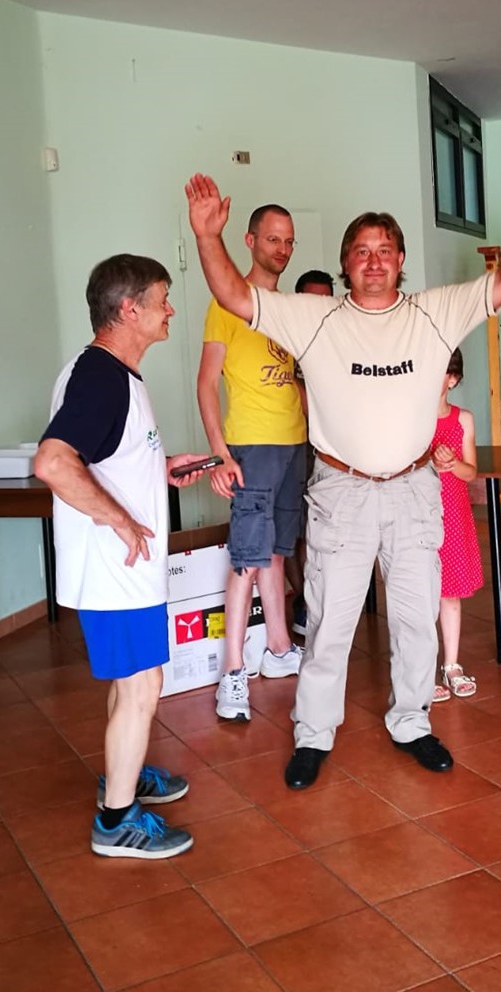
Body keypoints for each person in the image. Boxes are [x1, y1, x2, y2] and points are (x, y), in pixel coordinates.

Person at [185, 169, 501, 790]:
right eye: (362, 251)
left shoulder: (433, 313)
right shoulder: (313, 317)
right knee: (331, 625)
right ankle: (313, 734)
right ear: (346, 263)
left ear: (400, 261)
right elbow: (235, 296)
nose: (373, 261)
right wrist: (208, 237)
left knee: (416, 620)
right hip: (341, 492)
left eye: (385, 250)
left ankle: (412, 721)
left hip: (415, 490)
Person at [35, 253, 211, 858]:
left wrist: (160, 469)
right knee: (143, 683)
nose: (170, 310)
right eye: (162, 300)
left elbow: (104, 458)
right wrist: (119, 519)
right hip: (117, 569)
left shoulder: (110, 374)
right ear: (130, 309)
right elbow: (53, 462)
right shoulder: (101, 379)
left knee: (131, 679)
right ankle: (115, 820)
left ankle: (124, 776)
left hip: (121, 570)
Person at [196, 205, 308, 723]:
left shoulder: (286, 307)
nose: (282, 249)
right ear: (249, 240)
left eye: (288, 241)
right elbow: (206, 383)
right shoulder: (226, 302)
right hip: (252, 447)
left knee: (277, 554)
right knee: (246, 559)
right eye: (272, 239)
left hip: (293, 443)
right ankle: (233, 672)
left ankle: (279, 649)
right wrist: (220, 453)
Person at [285, 269, 336, 636]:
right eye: (311, 299)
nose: (319, 306)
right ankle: (305, 602)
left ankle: (321, 604)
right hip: (289, 444)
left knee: (325, 531)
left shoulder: (340, 339)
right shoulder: (283, 340)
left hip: (333, 448)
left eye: (325, 299)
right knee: (293, 531)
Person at [429, 348, 481, 704]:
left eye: (440, 372)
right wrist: (429, 461)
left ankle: (451, 664)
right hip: (419, 515)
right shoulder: (412, 419)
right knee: (420, 594)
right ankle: (420, 668)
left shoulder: (464, 420)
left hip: (453, 513)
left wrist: (451, 465)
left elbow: (471, 472)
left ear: (452, 379)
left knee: (450, 593)